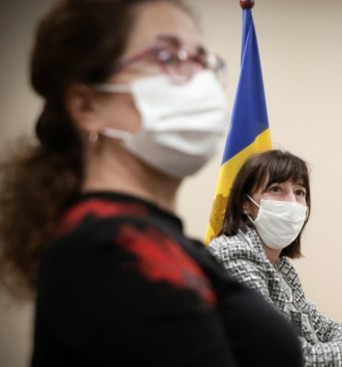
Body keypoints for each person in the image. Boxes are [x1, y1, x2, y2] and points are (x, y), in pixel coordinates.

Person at [0, 1, 302, 365]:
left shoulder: (166, 242)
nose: (200, 80)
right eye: (168, 57)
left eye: (202, 61)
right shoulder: (108, 250)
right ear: (87, 106)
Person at [208, 149, 342, 366]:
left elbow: (323, 330)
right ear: (245, 203)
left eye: (299, 192)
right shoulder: (235, 254)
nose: (292, 203)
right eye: (276, 189)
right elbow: (290, 356)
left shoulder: (280, 265)